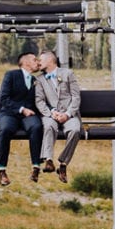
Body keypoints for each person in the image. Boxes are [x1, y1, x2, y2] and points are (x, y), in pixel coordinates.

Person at [0, 51, 43, 186]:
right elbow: (4, 98)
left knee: (36, 127)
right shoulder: (11, 75)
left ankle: (36, 166)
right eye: (35, 60)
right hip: (10, 113)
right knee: (5, 129)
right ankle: (2, 169)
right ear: (26, 62)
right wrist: (21, 109)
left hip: (29, 115)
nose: (38, 62)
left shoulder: (36, 80)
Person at [34, 48, 82, 183]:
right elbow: (39, 100)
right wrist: (51, 112)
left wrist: (67, 114)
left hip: (69, 113)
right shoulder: (39, 79)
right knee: (48, 126)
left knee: (75, 130)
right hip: (51, 114)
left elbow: (76, 97)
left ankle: (63, 163)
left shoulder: (68, 74)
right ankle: (48, 160)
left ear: (50, 60)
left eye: (40, 60)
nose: (38, 62)